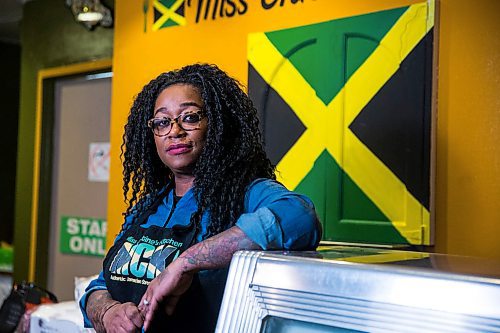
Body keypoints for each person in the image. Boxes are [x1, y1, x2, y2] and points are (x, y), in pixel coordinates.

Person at [79, 63, 321, 333]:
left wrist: (185, 263)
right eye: (162, 122)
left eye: (190, 117)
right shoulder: (148, 207)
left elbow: (300, 216)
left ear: (218, 125)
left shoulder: (245, 193)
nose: (175, 131)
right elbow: (98, 288)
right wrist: (108, 311)